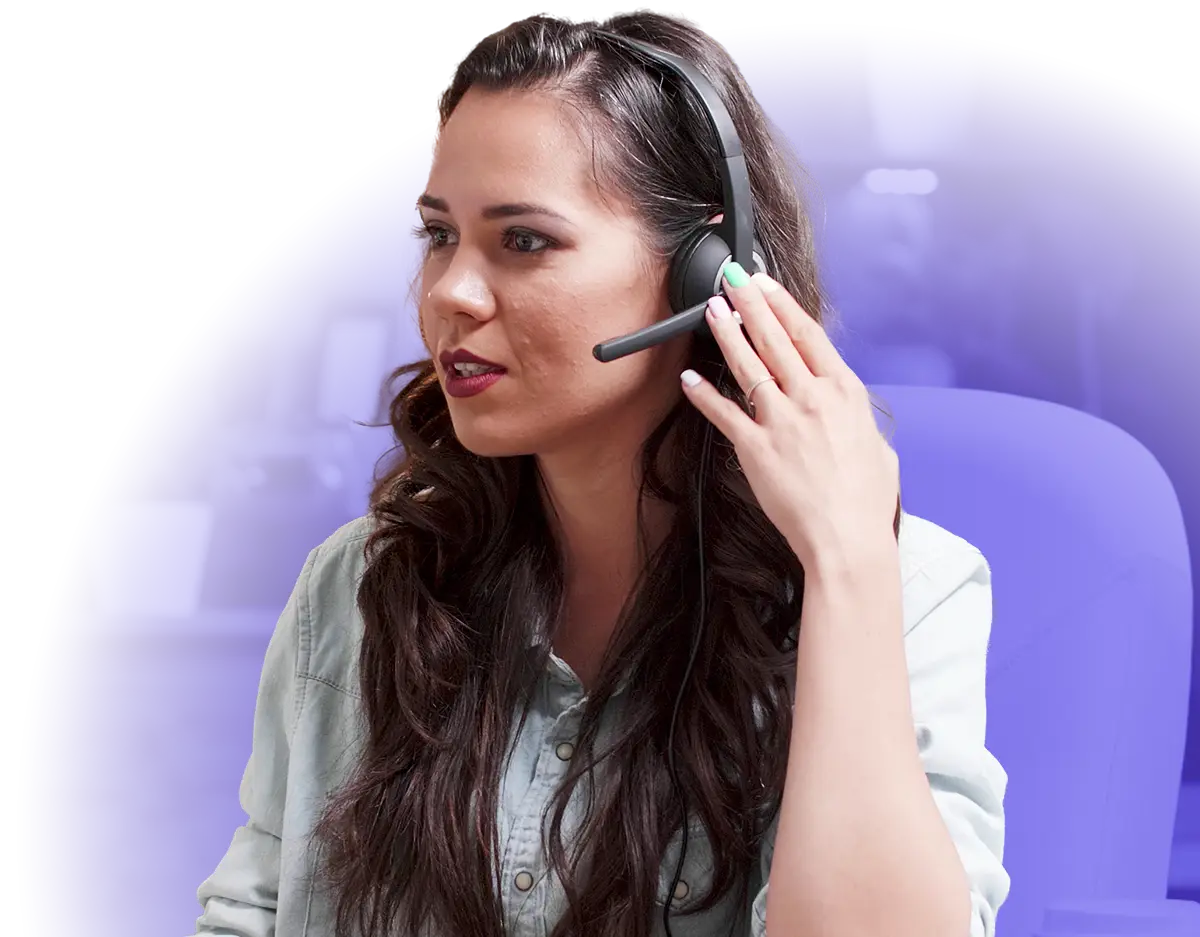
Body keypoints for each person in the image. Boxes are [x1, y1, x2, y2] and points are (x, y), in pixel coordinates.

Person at [191, 10, 1009, 937]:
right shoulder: (363, 583)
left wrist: (847, 565)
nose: (449, 293)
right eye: (438, 236)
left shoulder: (898, 590)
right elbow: (252, 913)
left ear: (707, 271)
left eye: (524, 240)